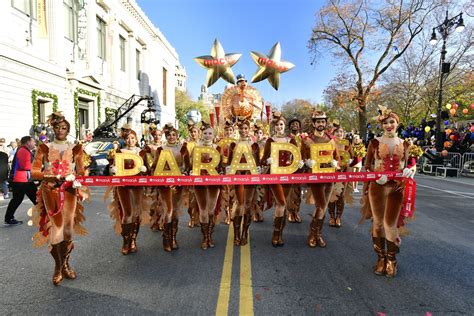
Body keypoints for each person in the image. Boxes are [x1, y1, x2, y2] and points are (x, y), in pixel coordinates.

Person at [30, 112, 89, 286]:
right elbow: (34, 172)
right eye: (57, 127)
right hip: (50, 191)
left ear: (68, 130)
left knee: (68, 230)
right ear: (53, 128)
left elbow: (81, 172)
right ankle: (58, 267)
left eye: (64, 128)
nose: (60, 130)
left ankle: (65, 263)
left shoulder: (76, 148)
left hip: (70, 191)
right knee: (56, 228)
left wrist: (78, 182)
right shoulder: (44, 148)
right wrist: (50, 175)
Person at [361, 106, 415, 278]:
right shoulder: (374, 142)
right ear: (382, 125)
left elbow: (411, 163)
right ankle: (381, 258)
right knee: (377, 223)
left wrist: (411, 170)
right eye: (385, 122)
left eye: (392, 122)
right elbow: (367, 165)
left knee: (389, 224)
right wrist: (375, 176)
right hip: (378, 187)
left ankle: (392, 259)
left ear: (397, 123)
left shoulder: (406, 144)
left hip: (397, 187)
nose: (389, 125)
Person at [260, 111, 303, 247]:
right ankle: (276, 233)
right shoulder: (270, 141)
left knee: (282, 204)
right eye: (277, 125)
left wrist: (300, 163)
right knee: (281, 203)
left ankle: (280, 234)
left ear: (285, 126)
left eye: (281, 124)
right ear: (274, 127)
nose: (279, 127)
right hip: (274, 175)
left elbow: (297, 158)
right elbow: (262, 160)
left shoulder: (291, 140)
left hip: (288, 176)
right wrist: (268, 160)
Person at [300, 110, 339, 248]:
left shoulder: (331, 140)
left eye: (323, 121)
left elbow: (337, 157)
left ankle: (317, 234)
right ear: (313, 123)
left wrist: (336, 163)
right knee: (321, 205)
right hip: (315, 177)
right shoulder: (307, 140)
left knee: (322, 206)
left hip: (329, 176)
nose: (321, 124)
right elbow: (301, 156)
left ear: (325, 123)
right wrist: (306, 162)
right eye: (318, 122)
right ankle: (314, 234)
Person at [108, 127, 149, 255]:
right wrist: (112, 169)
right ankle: (126, 241)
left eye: (132, 138)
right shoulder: (120, 151)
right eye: (127, 138)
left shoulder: (141, 152)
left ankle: (133, 240)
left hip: (137, 185)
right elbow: (112, 168)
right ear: (124, 140)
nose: (130, 140)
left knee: (136, 213)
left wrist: (144, 169)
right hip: (123, 185)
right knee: (127, 213)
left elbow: (148, 169)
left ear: (136, 139)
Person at [151, 123, 188, 252]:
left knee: (176, 211)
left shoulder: (182, 148)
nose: (171, 137)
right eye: (169, 135)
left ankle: (173, 238)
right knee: (169, 210)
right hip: (165, 184)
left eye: (174, 135)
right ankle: (166, 239)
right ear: (166, 136)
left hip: (178, 184)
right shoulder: (161, 149)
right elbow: (154, 166)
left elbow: (185, 166)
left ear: (177, 136)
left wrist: (183, 174)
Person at [227, 117, 259, 246]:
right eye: (241, 128)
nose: (243, 130)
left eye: (245, 128)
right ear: (237, 129)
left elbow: (258, 162)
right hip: (238, 177)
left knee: (248, 205)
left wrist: (261, 167)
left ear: (249, 129)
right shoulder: (234, 145)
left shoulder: (254, 145)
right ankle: (236, 234)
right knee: (240, 204)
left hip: (251, 177)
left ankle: (245, 233)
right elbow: (229, 161)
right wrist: (227, 168)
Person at [190, 122, 222, 249]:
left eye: (210, 133)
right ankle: (205, 238)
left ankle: (210, 235)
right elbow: (191, 164)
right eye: (205, 133)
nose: (208, 135)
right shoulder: (196, 148)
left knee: (211, 210)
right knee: (203, 209)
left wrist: (222, 171)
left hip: (214, 182)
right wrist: (191, 172)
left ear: (214, 135)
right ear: (201, 134)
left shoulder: (217, 148)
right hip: (200, 182)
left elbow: (221, 166)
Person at [4, 136, 37, 225]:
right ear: (28, 142)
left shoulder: (23, 150)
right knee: (35, 198)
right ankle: (8, 218)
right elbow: (24, 166)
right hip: (22, 180)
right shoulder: (24, 151)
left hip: (23, 179)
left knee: (34, 198)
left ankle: (9, 218)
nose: (34, 143)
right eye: (33, 141)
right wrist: (36, 168)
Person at [327, 126, 350, 228]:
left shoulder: (347, 144)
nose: (339, 134)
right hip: (332, 172)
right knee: (331, 195)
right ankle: (331, 216)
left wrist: (351, 160)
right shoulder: (330, 143)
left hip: (344, 173)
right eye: (337, 132)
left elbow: (353, 156)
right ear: (333, 133)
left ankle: (338, 217)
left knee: (341, 195)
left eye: (341, 132)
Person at [287, 117, 304, 223]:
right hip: (288, 167)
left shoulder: (303, 139)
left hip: (300, 167)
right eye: (292, 124)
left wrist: (305, 161)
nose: (295, 125)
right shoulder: (286, 138)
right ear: (289, 127)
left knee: (298, 190)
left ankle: (296, 211)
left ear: (299, 126)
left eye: (297, 124)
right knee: (290, 190)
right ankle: (290, 212)